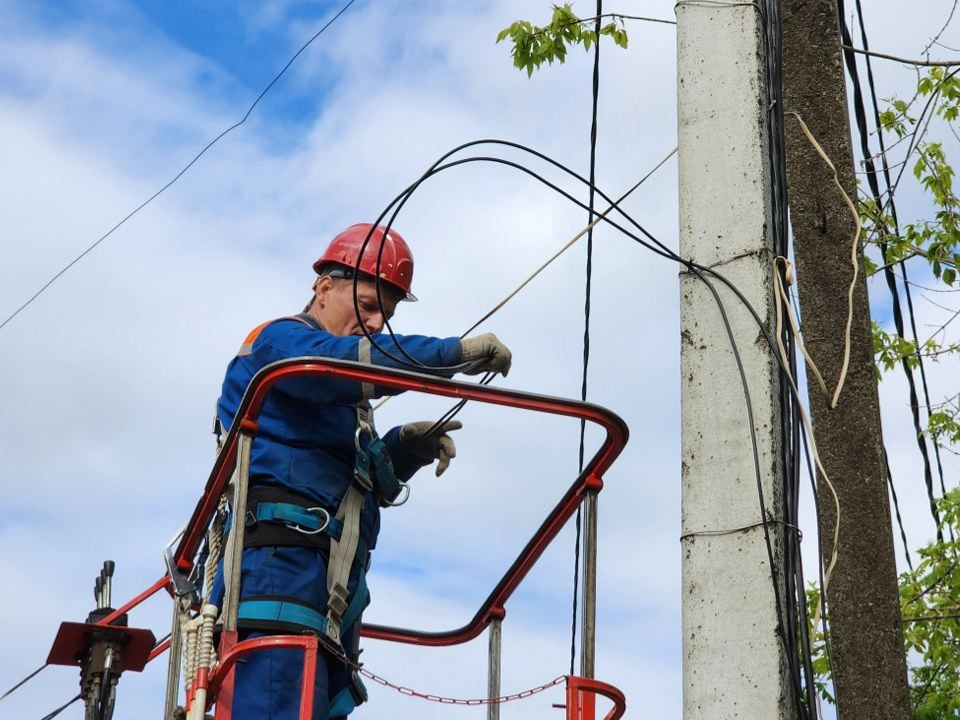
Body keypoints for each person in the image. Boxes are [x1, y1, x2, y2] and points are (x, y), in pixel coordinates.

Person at [212, 223, 512, 720]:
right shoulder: (278, 343)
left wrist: (402, 451)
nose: (377, 323)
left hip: (330, 609)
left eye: (387, 316)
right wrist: (448, 355)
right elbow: (336, 366)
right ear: (324, 287)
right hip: (274, 587)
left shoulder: (344, 402)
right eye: (369, 306)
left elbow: (345, 477)